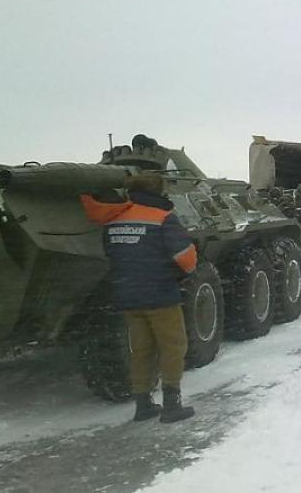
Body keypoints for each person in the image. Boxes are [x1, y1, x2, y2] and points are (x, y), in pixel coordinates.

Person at [81, 172, 197, 422]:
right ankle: (171, 405)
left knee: (141, 350)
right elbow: (186, 258)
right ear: (157, 192)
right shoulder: (163, 218)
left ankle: (143, 404)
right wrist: (178, 274)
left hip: (128, 295)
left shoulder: (114, 218)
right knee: (172, 347)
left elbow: (110, 253)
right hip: (160, 294)